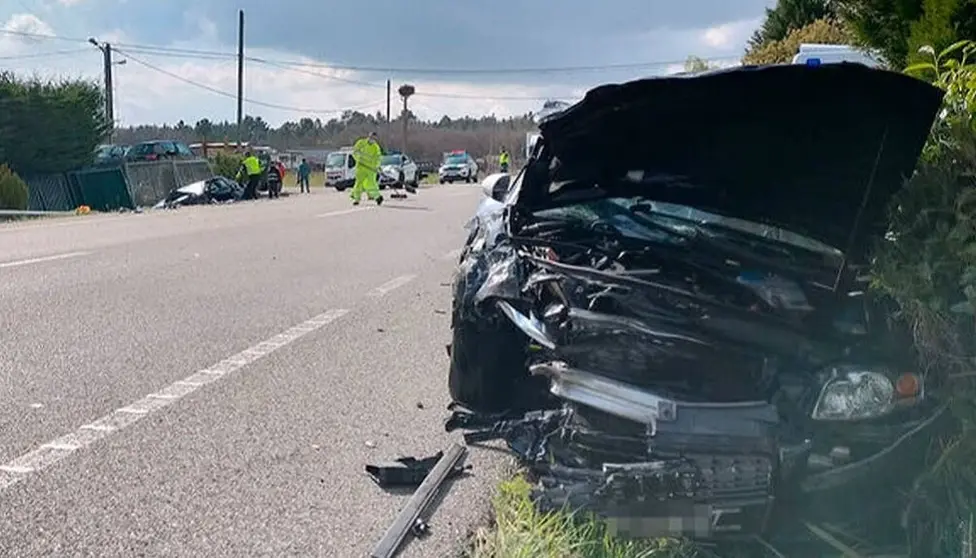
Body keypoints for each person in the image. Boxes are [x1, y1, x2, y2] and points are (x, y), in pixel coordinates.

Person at [350, 131, 383, 206]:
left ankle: (377, 197)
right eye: (371, 137)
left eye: (374, 138)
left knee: (371, 183)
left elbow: (378, 158)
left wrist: (377, 166)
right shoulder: (361, 143)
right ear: (369, 136)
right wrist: (358, 159)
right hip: (361, 167)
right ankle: (356, 199)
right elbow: (355, 152)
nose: (372, 139)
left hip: (371, 169)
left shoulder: (376, 147)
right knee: (359, 183)